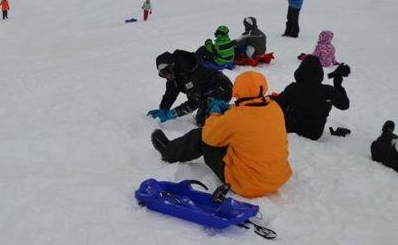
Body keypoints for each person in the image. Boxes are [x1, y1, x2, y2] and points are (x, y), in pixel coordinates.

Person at [151, 71, 292, 198]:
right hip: (277, 178)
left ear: (238, 90)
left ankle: (168, 151)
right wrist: (230, 108)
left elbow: (209, 135)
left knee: (201, 135)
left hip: (247, 184)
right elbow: (249, 110)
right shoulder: (274, 108)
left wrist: (214, 112)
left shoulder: (235, 118)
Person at [273, 55, 351, 140]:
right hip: (314, 133)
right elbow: (344, 105)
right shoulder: (328, 91)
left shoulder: (293, 88)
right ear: (319, 72)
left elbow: (277, 106)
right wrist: (338, 85)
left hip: (291, 128)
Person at [147, 50, 233, 125]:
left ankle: (232, 116)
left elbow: (194, 102)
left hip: (222, 89)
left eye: (166, 72)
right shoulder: (175, 74)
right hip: (204, 93)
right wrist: (163, 109)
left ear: (172, 66)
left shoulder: (192, 70)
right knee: (202, 116)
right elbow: (171, 92)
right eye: (162, 74)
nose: (166, 76)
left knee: (203, 121)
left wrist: (173, 113)